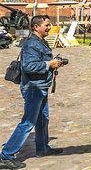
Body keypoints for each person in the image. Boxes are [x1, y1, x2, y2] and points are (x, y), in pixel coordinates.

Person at [0, 15, 65, 169]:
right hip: (33, 88)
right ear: (36, 27)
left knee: (43, 119)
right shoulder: (31, 44)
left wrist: (54, 63)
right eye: (46, 25)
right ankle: (6, 155)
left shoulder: (39, 42)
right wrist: (49, 64)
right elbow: (29, 66)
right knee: (28, 122)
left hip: (40, 86)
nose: (49, 27)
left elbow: (39, 62)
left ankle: (42, 148)